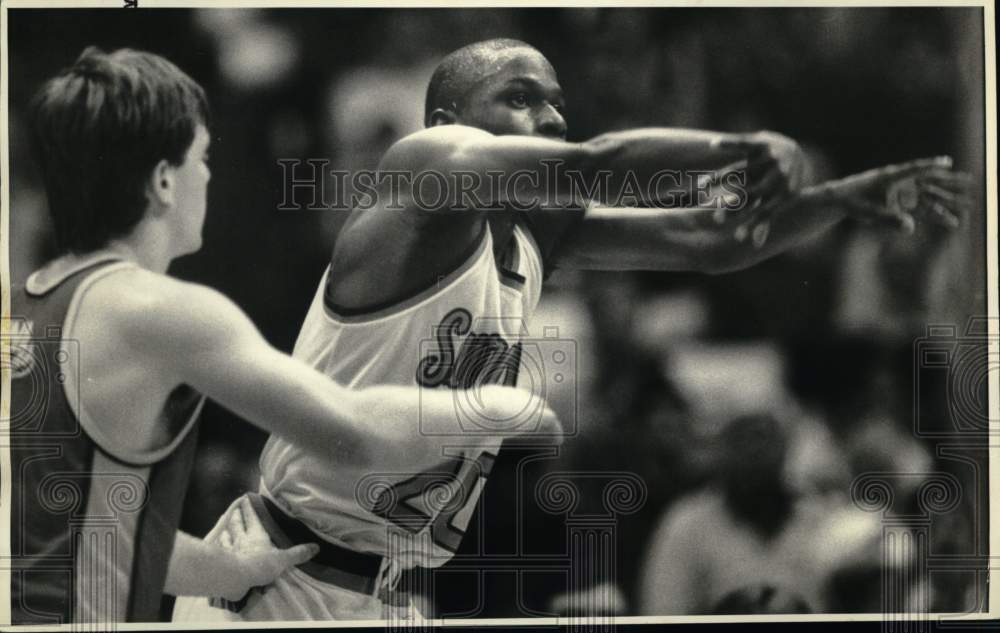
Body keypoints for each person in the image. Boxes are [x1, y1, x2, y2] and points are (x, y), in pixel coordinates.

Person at [177, 38, 971, 621]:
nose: (549, 114)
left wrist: (836, 200)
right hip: (282, 568)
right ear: (451, 115)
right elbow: (591, 162)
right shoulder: (427, 166)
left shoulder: (535, 232)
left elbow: (709, 239)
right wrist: (735, 148)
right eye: (520, 96)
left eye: (555, 99)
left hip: (387, 582)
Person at [7, 46, 557, 625]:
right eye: (202, 156)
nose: (210, 174)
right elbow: (349, 431)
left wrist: (223, 571)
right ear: (164, 181)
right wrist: (495, 407)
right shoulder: (160, 312)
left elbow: (79, 526)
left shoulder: (23, 304)